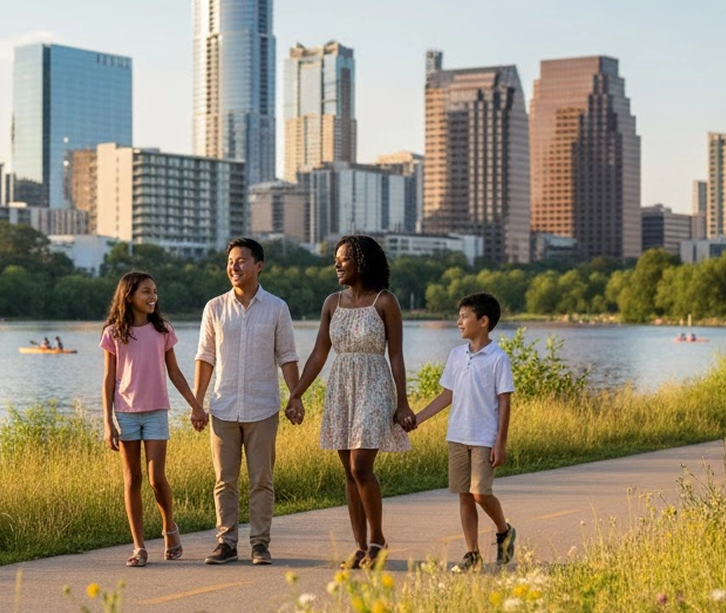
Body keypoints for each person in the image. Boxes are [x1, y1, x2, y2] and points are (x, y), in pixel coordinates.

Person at [287, 235, 415, 570]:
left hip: (374, 383)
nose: (337, 264)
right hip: (341, 386)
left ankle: (378, 540)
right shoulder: (332, 302)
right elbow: (319, 353)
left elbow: (397, 356)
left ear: (362, 262)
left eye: (344, 258)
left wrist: (403, 403)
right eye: (336, 258)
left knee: (361, 466)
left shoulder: (385, 302)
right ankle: (360, 547)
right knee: (348, 471)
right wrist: (296, 392)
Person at [194, 237, 300, 566]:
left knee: (261, 481)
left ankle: (260, 544)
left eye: (241, 261)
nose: (234, 267)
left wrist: (295, 397)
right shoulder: (214, 307)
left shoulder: (277, 308)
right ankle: (226, 542)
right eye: (230, 261)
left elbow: (287, 356)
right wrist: (198, 402)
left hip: (263, 408)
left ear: (259, 266)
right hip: (223, 407)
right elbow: (205, 357)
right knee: (224, 481)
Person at [101, 271, 208, 567]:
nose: (153, 297)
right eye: (146, 292)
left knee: (155, 477)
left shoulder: (162, 331)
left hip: (157, 412)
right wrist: (108, 422)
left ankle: (169, 528)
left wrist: (196, 406)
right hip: (125, 414)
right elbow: (109, 379)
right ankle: (139, 546)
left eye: (155, 292)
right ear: (129, 296)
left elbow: (174, 372)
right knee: (132, 478)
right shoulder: (113, 333)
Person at [411, 292, 516, 571]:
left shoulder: (498, 358)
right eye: (459, 316)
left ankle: (504, 530)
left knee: (481, 493)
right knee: (464, 495)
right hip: (457, 436)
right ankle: (473, 554)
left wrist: (500, 443)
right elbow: (447, 395)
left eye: (465, 316)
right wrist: (418, 418)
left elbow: (505, 401)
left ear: (483, 321)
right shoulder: (457, 355)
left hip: (484, 438)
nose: (459, 321)